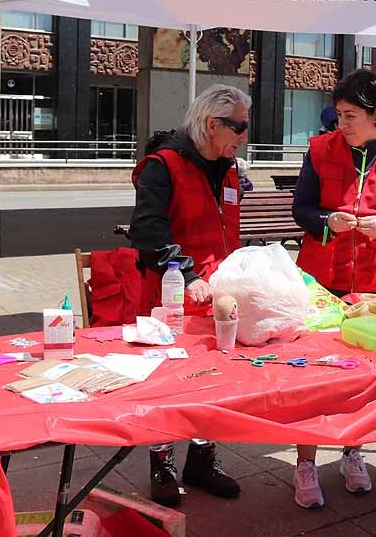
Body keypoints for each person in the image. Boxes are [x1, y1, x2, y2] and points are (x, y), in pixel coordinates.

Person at [291, 68, 376, 509]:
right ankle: (306, 463)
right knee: (312, 381)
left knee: (368, 381)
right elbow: (302, 209)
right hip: (323, 284)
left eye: (351, 115)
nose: (342, 124)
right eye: (339, 115)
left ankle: (354, 452)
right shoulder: (319, 150)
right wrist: (325, 221)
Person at [128, 84, 250, 507]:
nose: (245, 136)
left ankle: (202, 458)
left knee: (214, 378)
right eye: (240, 126)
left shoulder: (229, 166)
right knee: (169, 381)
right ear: (213, 124)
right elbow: (147, 230)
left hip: (218, 293)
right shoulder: (163, 165)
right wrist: (188, 270)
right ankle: (160, 461)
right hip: (173, 292)